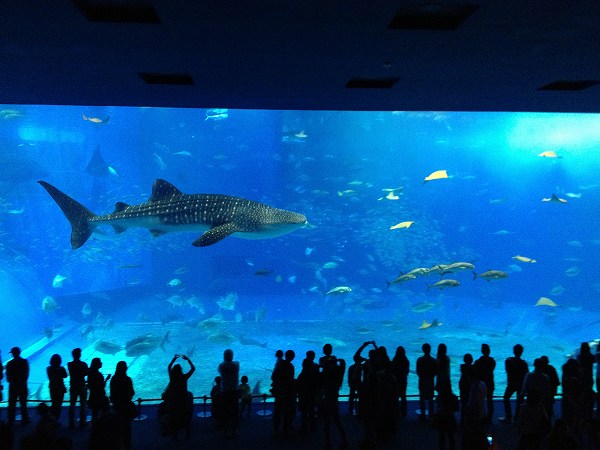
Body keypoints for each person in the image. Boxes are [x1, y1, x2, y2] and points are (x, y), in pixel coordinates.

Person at [320, 354, 349, 450]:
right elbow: (343, 365)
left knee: (326, 423)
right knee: (337, 422)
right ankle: (344, 441)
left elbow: (323, 370)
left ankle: (327, 443)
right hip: (334, 400)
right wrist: (338, 361)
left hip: (327, 399)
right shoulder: (339, 374)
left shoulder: (327, 374)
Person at [166, 354, 195, 440]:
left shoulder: (172, 377)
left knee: (174, 417)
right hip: (183, 400)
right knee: (184, 416)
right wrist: (188, 359)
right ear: (181, 370)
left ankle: (175, 434)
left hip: (174, 401)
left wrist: (174, 359)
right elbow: (193, 369)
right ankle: (187, 433)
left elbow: (169, 367)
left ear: (173, 371)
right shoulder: (184, 377)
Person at [499, 344, 529, 424]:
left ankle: (508, 417)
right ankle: (517, 418)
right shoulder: (524, 363)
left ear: (514, 351)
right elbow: (527, 374)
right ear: (521, 352)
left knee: (506, 398)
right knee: (520, 401)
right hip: (520, 385)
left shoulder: (508, 361)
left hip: (511, 384)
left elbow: (507, 370)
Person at [109, 361, 135, 449]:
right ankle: (127, 446)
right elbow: (132, 392)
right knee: (127, 427)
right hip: (126, 406)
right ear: (125, 368)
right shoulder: (128, 379)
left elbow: (112, 393)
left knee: (116, 427)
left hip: (116, 406)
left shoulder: (113, 378)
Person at [272, 349, 296, 435]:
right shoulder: (291, 366)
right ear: (293, 357)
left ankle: (276, 428)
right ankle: (286, 428)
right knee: (287, 411)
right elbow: (291, 380)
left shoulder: (280, 364)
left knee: (278, 410)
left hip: (279, 391)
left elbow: (273, 377)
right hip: (287, 392)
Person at [296, 350, 320, 434]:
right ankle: (313, 427)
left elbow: (300, 380)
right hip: (312, 392)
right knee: (311, 410)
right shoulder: (316, 366)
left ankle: (304, 428)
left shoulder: (305, 368)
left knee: (304, 411)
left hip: (304, 392)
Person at [218, 349, 240, 437]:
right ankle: (234, 429)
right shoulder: (236, 364)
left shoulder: (221, 366)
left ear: (224, 357)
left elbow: (220, 371)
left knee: (224, 411)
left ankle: (224, 430)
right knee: (234, 411)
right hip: (235, 390)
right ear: (232, 356)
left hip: (225, 391)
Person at [5, 346, 29, 425]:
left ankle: (11, 420)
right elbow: (26, 375)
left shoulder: (9, 364)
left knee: (12, 404)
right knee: (23, 404)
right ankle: (25, 420)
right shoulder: (25, 362)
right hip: (23, 386)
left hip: (13, 387)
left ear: (12, 354)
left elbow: (8, 378)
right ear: (19, 353)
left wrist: (13, 381)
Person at [473, 343, 495, 423]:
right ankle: (490, 417)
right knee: (490, 400)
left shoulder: (478, 361)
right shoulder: (492, 361)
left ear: (482, 351)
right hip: (490, 383)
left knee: (480, 400)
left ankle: (480, 416)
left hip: (481, 385)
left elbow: (475, 371)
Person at [67, 347, 88, 429]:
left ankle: (71, 422)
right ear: (79, 355)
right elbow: (86, 373)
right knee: (83, 405)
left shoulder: (70, 364)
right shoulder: (84, 364)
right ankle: (82, 422)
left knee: (72, 404)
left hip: (73, 387)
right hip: (82, 386)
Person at [416, 343, 438, 421]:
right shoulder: (434, 360)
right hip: (430, 381)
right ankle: (431, 415)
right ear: (430, 350)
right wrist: (430, 377)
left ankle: (422, 415)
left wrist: (423, 376)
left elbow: (418, 372)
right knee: (430, 399)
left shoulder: (419, 360)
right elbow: (435, 372)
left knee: (422, 398)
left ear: (423, 350)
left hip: (422, 380)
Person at [436, 383, 459, 450]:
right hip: (451, 418)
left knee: (441, 438)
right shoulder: (454, 397)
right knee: (451, 437)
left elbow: (438, 409)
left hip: (441, 419)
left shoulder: (439, 397)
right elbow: (457, 409)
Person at [87, 357, 110, 422]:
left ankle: (94, 428)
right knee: (104, 413)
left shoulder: (90, 372)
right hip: (100, 396)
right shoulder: (98, 374)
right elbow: (102, 386)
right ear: (96, 364)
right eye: (100, 362)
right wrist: (107, 379)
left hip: (93, 395)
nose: (101, 363)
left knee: (95, 413)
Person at [46, 354, 68, 420]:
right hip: (60, 388)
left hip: (52, 388)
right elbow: (65, 375)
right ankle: (56, 419)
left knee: (54, 403)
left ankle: (52, 419)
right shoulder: (61, 368)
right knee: (59, 405)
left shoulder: (48, 368)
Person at [391, 345, 409, 418]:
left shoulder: (394, 360)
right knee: (403, 396)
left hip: (396, 380)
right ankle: (404, 412)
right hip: (403, 380)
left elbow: (392, 371)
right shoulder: (406, 360)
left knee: (395, 396)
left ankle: (396, 412)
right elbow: (407, 371)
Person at [459, 353, 475, 424]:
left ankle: (463, 419)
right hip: (469, 386)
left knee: (463, 403)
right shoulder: (473, 368)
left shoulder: (462, 366)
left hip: (463, 386)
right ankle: (469, 418)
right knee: (470, 403)